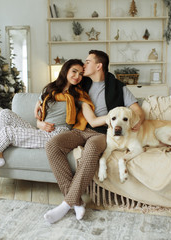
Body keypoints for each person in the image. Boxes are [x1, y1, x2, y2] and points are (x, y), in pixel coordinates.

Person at [0, 59, 94, 180]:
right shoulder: (50, 89)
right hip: (42, 130)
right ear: (65, 70)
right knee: (5, 113)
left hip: (58, 134)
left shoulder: (78, 94)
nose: (77, 76)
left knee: (8, 132)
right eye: (74, 71)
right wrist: (40, 122)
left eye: (81, 74)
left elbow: (89, 117)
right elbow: (40, 110)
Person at [43, 50, 145, 224]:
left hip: (102, 133)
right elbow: (53, 94)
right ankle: (76, 202)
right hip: (80, 129)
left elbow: (137, 110)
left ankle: (65, 204)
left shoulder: (118, 87)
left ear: (98, 66)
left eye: (88, 61)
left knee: (90, 151)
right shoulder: (81, 85)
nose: (84, 65)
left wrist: (138, 121)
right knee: (53, 145)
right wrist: (38, 107)